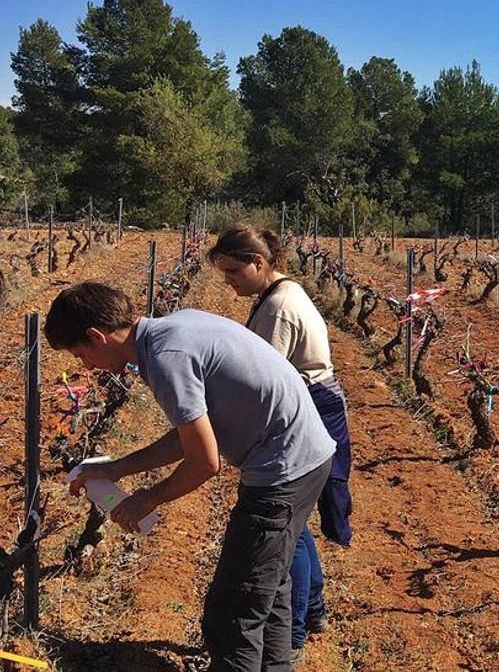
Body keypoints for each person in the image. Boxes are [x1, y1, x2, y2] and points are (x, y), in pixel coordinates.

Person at [48, 282, 334, 671]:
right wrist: (115, 469)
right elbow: (192, 435)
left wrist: (147, 498)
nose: (86, 367)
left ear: (98, 336)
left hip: (284, 469)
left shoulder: (167, 358)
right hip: (303, 456)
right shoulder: (175, 329)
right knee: (269, 589)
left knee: (234, 610)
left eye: (83, 355)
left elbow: (204, 461)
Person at [207, 224, 353, 662]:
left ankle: (295, 628)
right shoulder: (277, 295)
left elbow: (260, 379)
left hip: (310, 406)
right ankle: (311, 611)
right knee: (295, 524)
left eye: (234, 271)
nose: (229, 280)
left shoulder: (278, 310)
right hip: (313, 401)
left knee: (287, 528)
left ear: (259, 263)